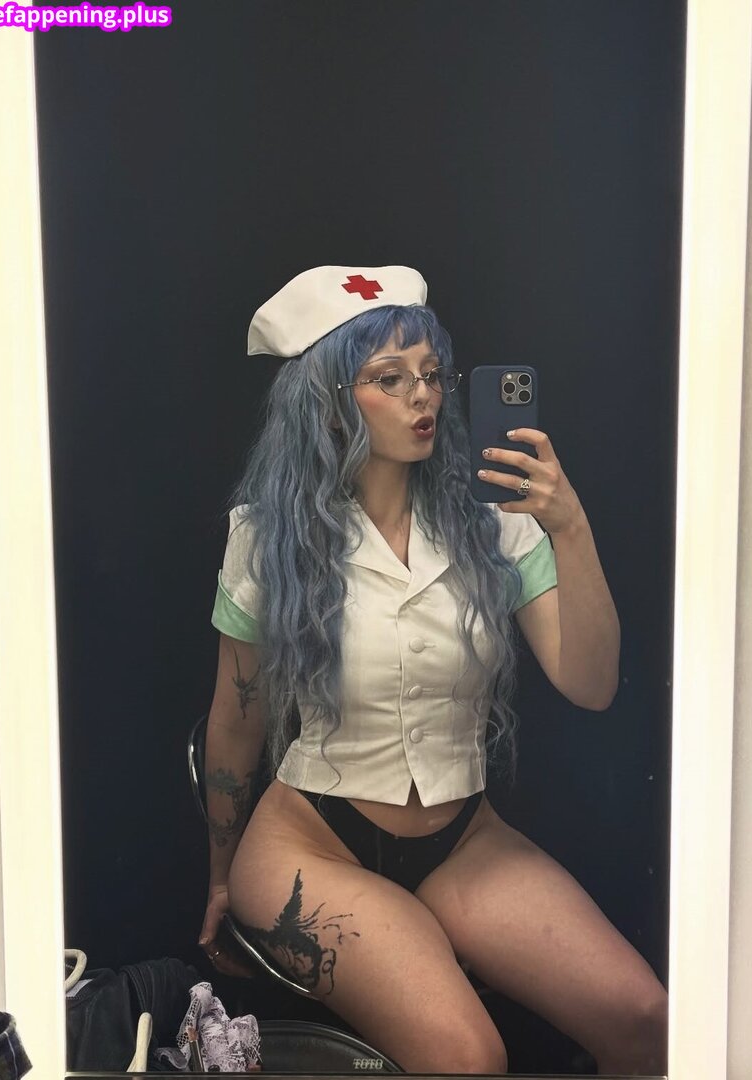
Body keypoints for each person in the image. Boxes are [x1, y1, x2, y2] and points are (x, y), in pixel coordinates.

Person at [198, 266, 667, 1075]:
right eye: (389, 378)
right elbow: (237, 722)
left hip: (462, 840)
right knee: (468, 1058)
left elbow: (590, 684)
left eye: (431, 373)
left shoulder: (496, 522)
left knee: (645, 1020)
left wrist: (570, 527)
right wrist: (220, 877)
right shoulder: (267, 538)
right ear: (329, 401)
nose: (423, 395)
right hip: (311, 843)